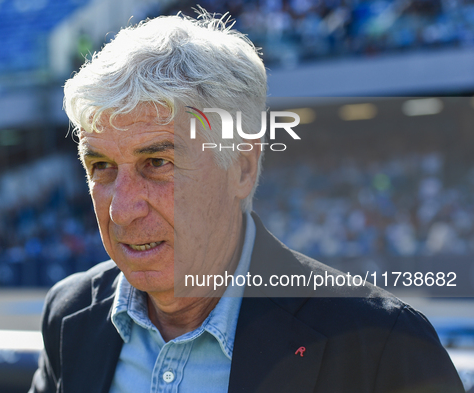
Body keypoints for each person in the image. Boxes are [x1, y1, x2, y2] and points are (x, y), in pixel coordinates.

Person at [29, 10, 465, 393]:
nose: (122, 209)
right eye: (102, 166)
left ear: (242, 167)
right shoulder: (71, 315)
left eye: (157, 162)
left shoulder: (381, 345)